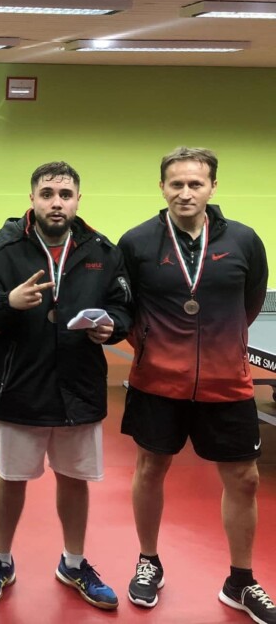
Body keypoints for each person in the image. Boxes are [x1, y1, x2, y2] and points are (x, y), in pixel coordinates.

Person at [0, 161, 132, 611]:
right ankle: (1, 560)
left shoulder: (102, 251)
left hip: (79, 386)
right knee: (11, 478)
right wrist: (8, 302)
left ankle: (73, 563)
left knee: (75, 479)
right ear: (32, 198)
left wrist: (112, 327)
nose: (56, 202)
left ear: (78, 199)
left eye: (65, 194)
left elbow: (123, 306)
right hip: (19, 384)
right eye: (47, 194)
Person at [119, 147, 271, 622]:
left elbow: (250, 303)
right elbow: (128, 309)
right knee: (150, 469)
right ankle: (148, 561)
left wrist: (222, 346)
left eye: (195, 184)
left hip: (227, 382)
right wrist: (157, 348)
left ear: (212, 187)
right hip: (157, 382)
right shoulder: (136, 242)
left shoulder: (244, 240)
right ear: (162, 187)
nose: (185, 193)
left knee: (245, 479)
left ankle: (240, 581)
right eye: (176, 184)